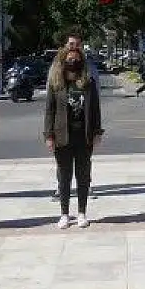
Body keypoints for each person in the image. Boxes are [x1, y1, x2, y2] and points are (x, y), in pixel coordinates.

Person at [44, 47, 103, 229]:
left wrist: (97, 132)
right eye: (69, 59)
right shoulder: (56, 83)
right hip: (62, 135)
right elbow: (50, 110)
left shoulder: (88, 83)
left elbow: (95, 109)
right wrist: (48, 135)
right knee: (64, 175)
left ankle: (82, 213)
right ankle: (64, 214)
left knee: (83, 175)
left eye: (76, 59)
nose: (73, 62)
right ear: (63, 61)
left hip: (83, 135)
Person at [50, 27, 100, 201]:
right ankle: (61, 187)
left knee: (84, 161)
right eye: (71, 44)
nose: (74, 47)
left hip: (83, 123)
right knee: (63, 163)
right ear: (65, 45)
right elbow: (51, 103)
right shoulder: (56, 67)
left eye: (77, 45)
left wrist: (95, 127)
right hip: (63, 124)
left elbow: (95, 97)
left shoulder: (88, 67)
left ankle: (86, 186)